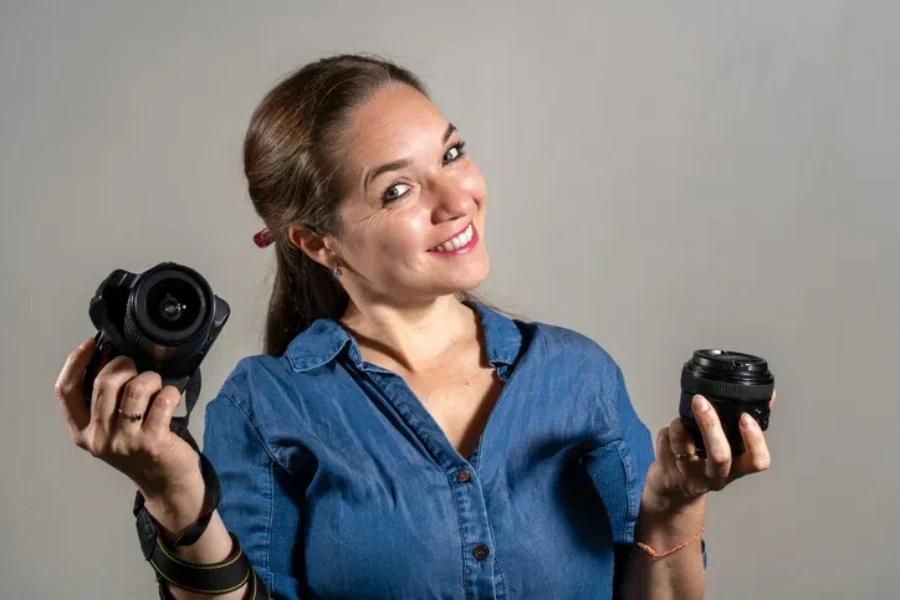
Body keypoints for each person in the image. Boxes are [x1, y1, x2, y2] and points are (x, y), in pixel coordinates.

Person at [55, 53, 775, 599]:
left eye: (452, 154)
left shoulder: (578, 376)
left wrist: (673, 503)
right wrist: (176, 493)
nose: (455, 198)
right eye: (398, 189)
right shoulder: (268, 403)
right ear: (315, 242)